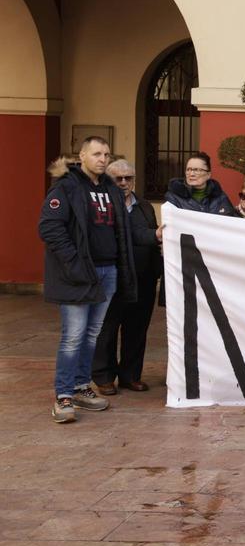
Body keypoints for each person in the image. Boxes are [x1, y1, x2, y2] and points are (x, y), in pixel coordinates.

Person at [37, 137, 137, 423]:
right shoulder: (67, 187)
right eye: (96, 154)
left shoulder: (110, 189)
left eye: (106, 154)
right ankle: (63, 396)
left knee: (92, 334)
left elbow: (124, 230)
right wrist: (74, 263)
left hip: (108, 273)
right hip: (78, 276)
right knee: (72, 337)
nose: (103, 159)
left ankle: (81, 387)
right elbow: (49, 227)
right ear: (82, 156)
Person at [91, 160, 162, 396]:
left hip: (143, 280)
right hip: (113, 279)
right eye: (117, 178)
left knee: (137, 329)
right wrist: (154, 235)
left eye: (128, 178)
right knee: (107, 329)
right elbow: (129, 235)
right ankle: (104, 377)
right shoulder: (102, 206)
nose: (123, 183)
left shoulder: (144, 206)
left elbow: (152, 242)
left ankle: (130, 376)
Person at [164, 152, 235, 216]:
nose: (191, 174)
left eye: (197, 170)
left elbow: (231, 221)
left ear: (208, 174)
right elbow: (170, 222)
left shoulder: (220, 197)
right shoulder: (174, 196)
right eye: (188, 169)